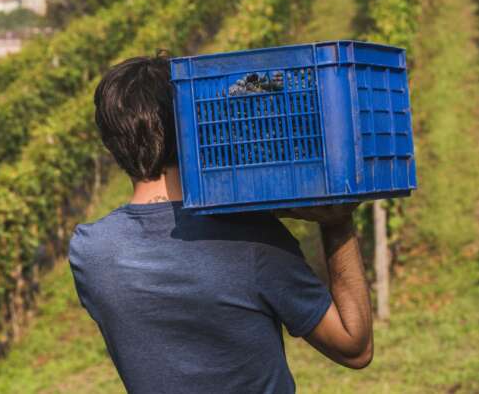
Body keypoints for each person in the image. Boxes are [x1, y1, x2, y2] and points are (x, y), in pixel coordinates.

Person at [69, 54, 373, 393]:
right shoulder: (253, 239)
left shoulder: (90, 253)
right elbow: (354, 347)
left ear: (111, 144)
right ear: (193, 126)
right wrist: (337, 224)